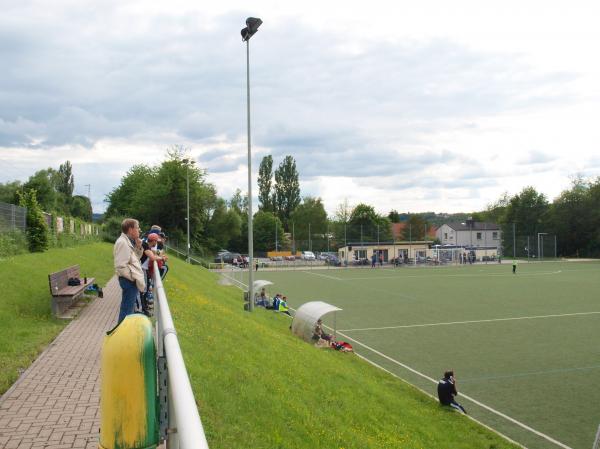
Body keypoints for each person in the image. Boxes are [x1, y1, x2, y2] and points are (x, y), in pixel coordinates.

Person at [114, 218, 146, 324]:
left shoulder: (128, 241)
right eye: (137, 227)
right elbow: (121, 266)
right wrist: (133, 278)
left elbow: (134, 260)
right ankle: (120, 336)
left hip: (129, 281)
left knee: (128, 309)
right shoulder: (122, 242)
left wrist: (138, 247)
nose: (139, 230)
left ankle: (123, 334)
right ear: (130, 229)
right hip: (128, 281)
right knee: (126, 311)